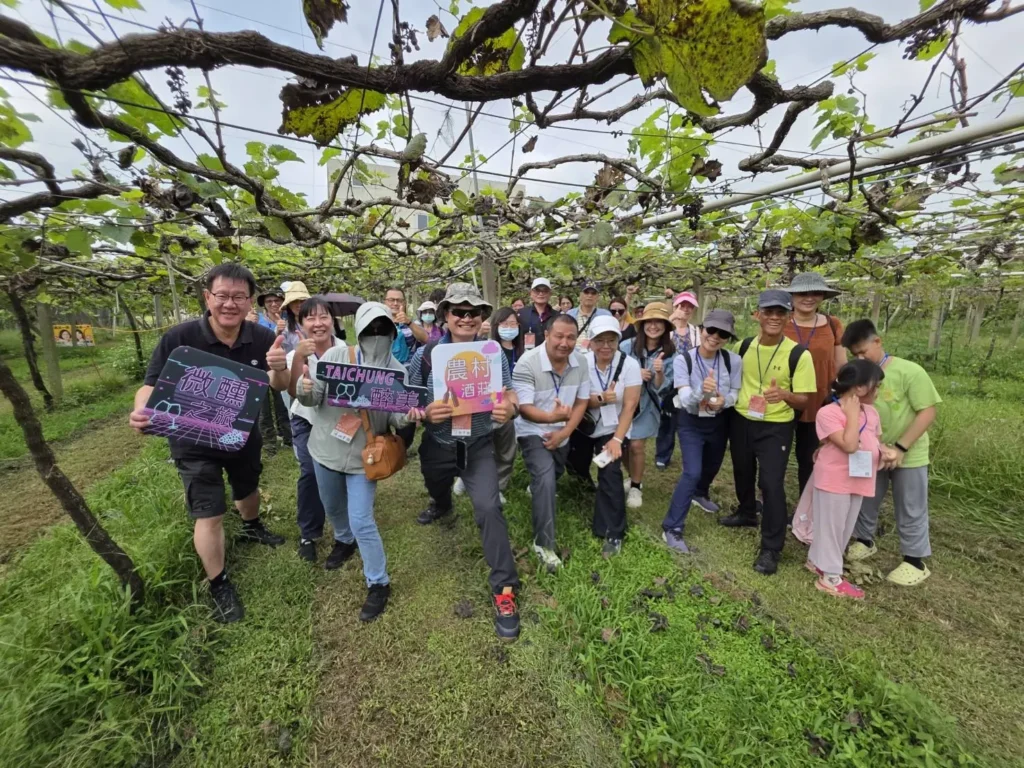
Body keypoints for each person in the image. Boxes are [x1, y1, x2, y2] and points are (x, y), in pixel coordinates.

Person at [129, 263, 286, 624]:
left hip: (241, 433)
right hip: (192, 438)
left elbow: (280, 386)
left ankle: (252, 525)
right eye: (222, 295)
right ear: (207, 298)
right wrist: (141, 409)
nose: (230, 304)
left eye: (239, 297)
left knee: (247, 486)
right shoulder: (179, 338)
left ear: (250, 303)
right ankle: (219, 583)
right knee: (208, 510)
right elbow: (151, 384)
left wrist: (278, 366)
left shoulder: (261, 339)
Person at [407, 284, 523, 641]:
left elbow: (508, 394)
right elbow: (408, 401)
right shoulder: (425, 356)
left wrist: (510, 407)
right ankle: (441, 503)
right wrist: (424, 412)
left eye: (474, 312)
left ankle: (504, 589)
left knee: (488, 508)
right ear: (446, 316)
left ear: (482, 318)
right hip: (439, 444)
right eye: (459, 311)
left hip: (478, 445)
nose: (466, 317)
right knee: (435, 485)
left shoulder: (493, 355)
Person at [292, 302, 414, 622]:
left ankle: (378, 582)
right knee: (332, 506)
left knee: (362, 518)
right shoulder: (335, 358)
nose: (376, 336)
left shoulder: (398, 372)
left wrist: (407, 416)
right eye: (369, 330)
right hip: (326, 448)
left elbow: (397, 420)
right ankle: (344, 540)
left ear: (392, 332)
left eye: (383, 330)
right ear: (358, 332)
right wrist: (304, 390)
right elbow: (312, 397)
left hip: (366, 457)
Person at [721, 290, 816, 576]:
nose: (774, 317)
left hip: (776, 425)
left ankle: (771, 547)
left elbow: (806, 399)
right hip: (741, 418)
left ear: (789, 317)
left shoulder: (799, 354)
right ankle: (748, 512)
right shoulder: (743, 347)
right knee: (742, 469)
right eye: (769, 312)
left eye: (780, 313)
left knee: (772, 483)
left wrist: (785, 394)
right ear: (757, 315)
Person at [841, 319, 940, 586]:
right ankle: (864, 540)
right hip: (872, 451)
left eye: (864, 351)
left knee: (910, 504)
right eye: (855, 355)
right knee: (866, 497)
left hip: (908, 452)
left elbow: (927, 411)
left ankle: (914, 560)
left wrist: (900, 447)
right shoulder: (858, 373)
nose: (861, 358)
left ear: (878, 341)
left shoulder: (910, 371)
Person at [806, 359, 898, 599]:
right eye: (875, 386)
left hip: (859, 477)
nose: (877, 391)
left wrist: (885, 452)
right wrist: (852, 413)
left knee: (844, 526)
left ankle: (818, 561)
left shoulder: (873, 413)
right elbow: (848, 445)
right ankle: (831, 578)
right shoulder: (829, 412)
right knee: (831, 527)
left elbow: (874, 441)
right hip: (835, 478)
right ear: (859, 388)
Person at [267, 296, 345, 564]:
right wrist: (299, 357)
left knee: (339, 469)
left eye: (324, 317)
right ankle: (309, 534)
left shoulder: (347, 350)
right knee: (311, 472)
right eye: (310, 318)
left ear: (333, 321)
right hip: (306, 419)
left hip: (338, 419)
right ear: (300, 323)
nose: (318, 323)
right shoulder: (294, 354)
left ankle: (343, 527)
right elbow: (288, 391)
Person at [513, 313, 591, 572]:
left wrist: (565, 431)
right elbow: (524, 408)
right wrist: (550, 418)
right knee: (545, 477)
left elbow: (581, 402)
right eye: (559, 336)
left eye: (571, 337)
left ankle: (537, 488)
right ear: (546, 335)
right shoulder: (527, 362)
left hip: (562, 429)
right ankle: (543, 543)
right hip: (533, 428)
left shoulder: (580, 362)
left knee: (554, 471)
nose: (565, 343)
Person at [662, 310, 742, 553]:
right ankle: (672, 527)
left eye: (723, 334)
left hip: (718, 421)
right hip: (691, 422)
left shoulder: (733, 361)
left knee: (712, 464)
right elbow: (685, 398)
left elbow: (735, 392)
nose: (715, 337)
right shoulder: (683, 360)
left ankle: (700, 493)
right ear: (702, 329)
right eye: (711, 330)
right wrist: (702, 392)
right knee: (692, 471)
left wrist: (723, 401)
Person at [581, 316, 642, 555]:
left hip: (614, 428)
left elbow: (630, 405)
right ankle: (580, 481)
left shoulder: (630, 365)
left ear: (618, 340)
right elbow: (576, 399)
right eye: (600, 341)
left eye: (611, 340)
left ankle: (612, 532)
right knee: (573, 460)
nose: (605, 346)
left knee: (610, 470)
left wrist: (617, 440)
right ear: (591, 343)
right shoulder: (581, 362)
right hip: (584, 426)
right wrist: (598, 400)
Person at [783, 272, 847, 494]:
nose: (808, 298)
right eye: (802, 293)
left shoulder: (832, 325)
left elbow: (841, 364)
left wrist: (841, 398)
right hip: (784, 398)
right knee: (775, 454)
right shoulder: (780, 321)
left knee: (809, 456)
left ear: (822, 297)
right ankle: (770, 500)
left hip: (819, 400)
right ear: (792, 296)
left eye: (815, 293)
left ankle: (805, 505)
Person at [619, 302, 675, 509]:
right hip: (624, 404)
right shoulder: (627, 346)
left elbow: (662, 388)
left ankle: (635, 486)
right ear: (642, 324)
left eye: (659, 322)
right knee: (622, 444)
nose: (653, 326)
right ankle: (632, 475)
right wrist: (635, 375)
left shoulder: (670, 353)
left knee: (636, 445)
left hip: (647, 406)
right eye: (649, 321)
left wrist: (658, 372)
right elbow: (615, 374)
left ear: (666, 327)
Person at [655, 290, 701, 469]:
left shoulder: (696, 331)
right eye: (682, 305)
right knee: (667, 419)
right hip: (668, 379)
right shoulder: (667, 330)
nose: (686, 309)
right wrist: (673, 317)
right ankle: (662, 455)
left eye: (690, 306)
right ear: (675, 306)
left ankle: (690, 455)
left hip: (689, 380)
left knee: (688, 417)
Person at [257, 286, 294, 454]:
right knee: (263, 407)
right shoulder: (256, 320)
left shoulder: (289, 319)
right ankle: (269, 443)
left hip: (281, 366)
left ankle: (288, 437)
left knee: (283, 403)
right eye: (269, 301)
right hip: (260, 366)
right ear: (264, 304)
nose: (273, 304)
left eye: (277, 300)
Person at [566, 281, 612, 349]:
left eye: (593, 293)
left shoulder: (605, 315)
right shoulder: (570, 314)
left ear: (598, 297)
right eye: (586, 292)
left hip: (597, 353)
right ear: (580, 295)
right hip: (574, 353)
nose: (589, 295)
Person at [517, 278, 555, 350]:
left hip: (550, 355)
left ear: (550, 294)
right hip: (527, 355)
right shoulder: (521, 313)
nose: (541, 294)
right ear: (531, 293)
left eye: (545, 291)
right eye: (537, 290)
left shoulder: (557, 316)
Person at [383, 287, 416, 363]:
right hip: (385, 369)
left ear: (404, 303)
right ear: (385, 302)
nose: (395, 303)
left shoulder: (412, 323)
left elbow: (425, 339)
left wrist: (409, 322)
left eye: (399, 300)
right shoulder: (377, 324)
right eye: (391, 300)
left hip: (407, 369)